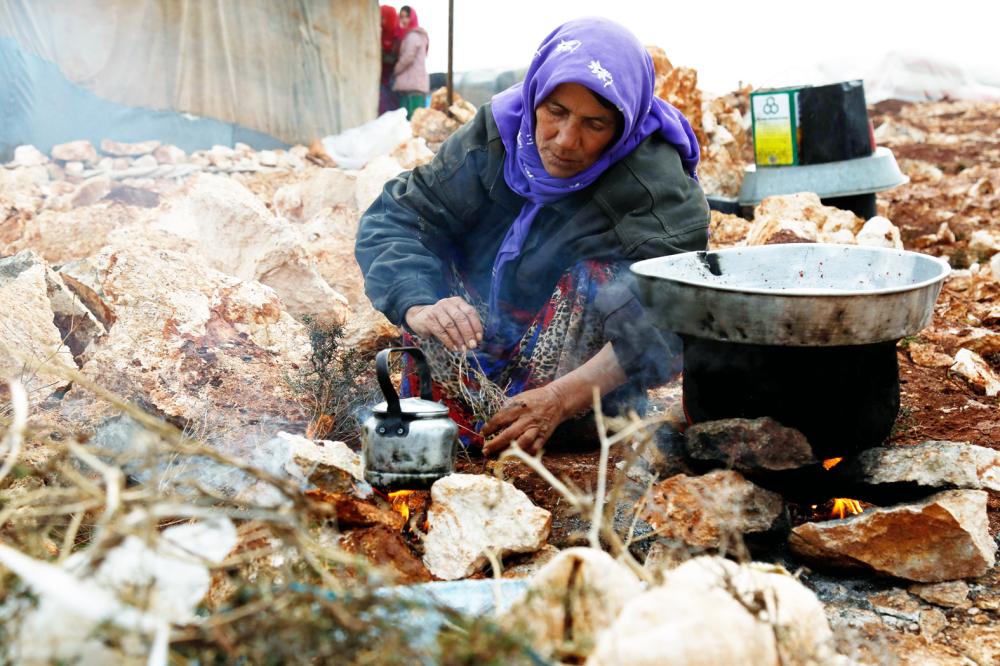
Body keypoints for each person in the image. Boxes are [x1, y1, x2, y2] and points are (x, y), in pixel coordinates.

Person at [357, 17, 709, 457]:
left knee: (612, 277)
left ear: (622, 125)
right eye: (555, 112)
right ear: (535, 97)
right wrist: (420, 303)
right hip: (492, 321)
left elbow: (679, 307)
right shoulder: (497, 136)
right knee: (427, 267)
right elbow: (401, 217)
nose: (565, 140)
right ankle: (459, 413)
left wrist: (561, 399)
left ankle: (571, 419)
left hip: (580, 380)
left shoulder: (654, 185)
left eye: (594, 124)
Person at [392, 5, 429, 120]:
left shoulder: (413, 36)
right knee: (415, 123)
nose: (403, 20)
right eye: (401, 17)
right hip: (415, 85)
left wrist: (396, 69)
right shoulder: (417, 35)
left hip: (412, 86)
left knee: (410, 124)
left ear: (412, 18)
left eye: (406, 17)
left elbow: (408, 57)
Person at [378, 5, 401, 115]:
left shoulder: (398, 36)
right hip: (380, 80)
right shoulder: (378, 34)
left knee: (391, 112)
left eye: (383, 18)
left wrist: (381, 54)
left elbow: (397, 58)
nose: (381, 21)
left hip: (393, 79)